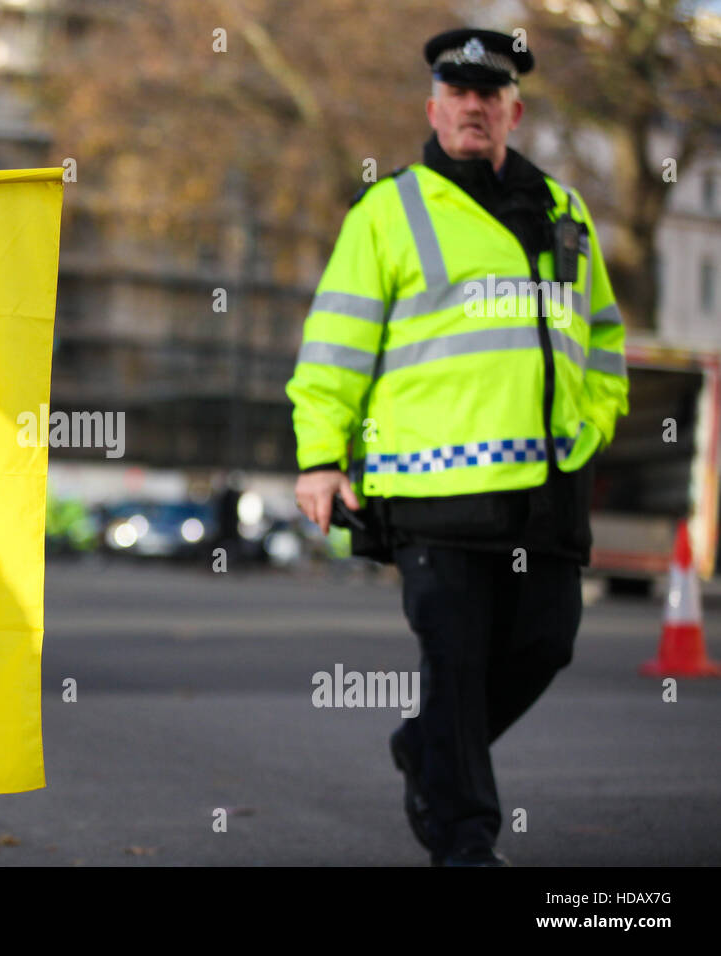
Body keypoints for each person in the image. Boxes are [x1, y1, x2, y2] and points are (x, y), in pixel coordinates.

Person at [286, 28, 629, 865]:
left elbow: (606, 337)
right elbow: (334, 348)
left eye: (491, 92)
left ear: (514, 108)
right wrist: (322, 456)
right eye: (458, 90)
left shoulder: (565, 209)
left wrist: (595, 421)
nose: (474, 105)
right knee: (456, 660)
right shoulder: (388, 211)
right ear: (433, 105)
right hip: (433, 490)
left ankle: (427, 747)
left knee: (547, 643)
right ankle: (466, 842)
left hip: (547, 487)